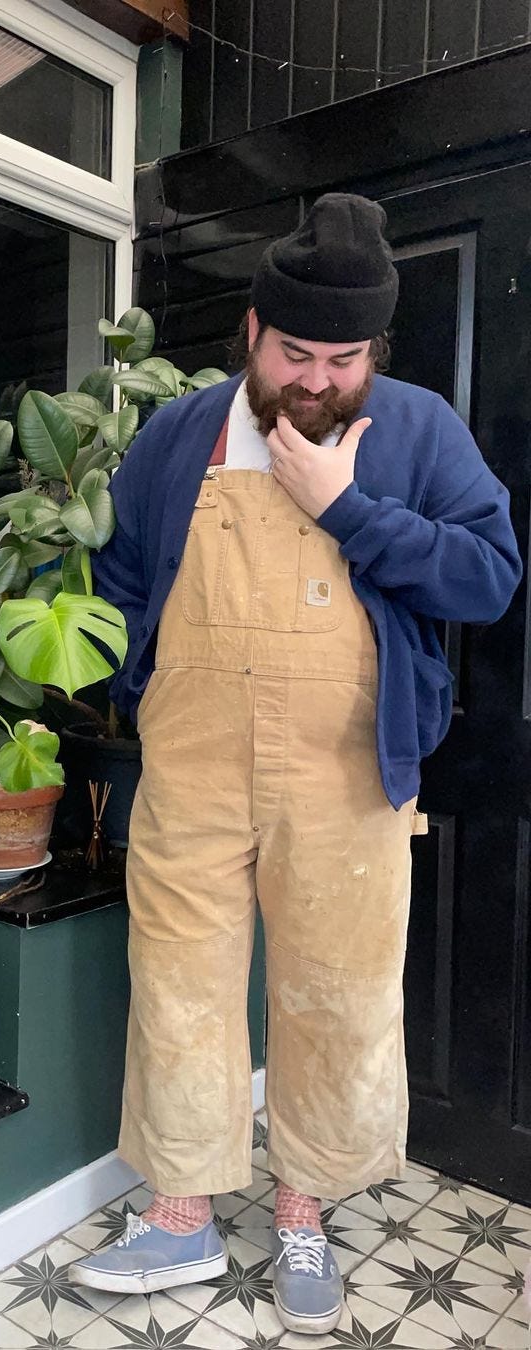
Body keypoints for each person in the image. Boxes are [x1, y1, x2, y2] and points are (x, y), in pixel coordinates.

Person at [71, 193, 522, 1336]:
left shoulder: (418, 431)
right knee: (178, 980)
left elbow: (487, 579)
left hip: (350, 770)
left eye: (342, 358)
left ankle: (305, 1204)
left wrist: (351, 508)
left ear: (374, 350)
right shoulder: (180, 435)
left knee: (337, 993)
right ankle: (178, 1214)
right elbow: (122, 582)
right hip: (194, 758)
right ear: (253, 332)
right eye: (295, 353)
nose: (316, 381)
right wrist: (139, 677)